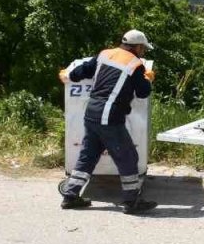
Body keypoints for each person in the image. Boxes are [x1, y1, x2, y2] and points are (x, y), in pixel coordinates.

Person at [58, 30, 157, 214]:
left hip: (91, 114)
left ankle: (70, 196)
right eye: (143, 48)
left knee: (88, 155)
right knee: (128, 156)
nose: (143, 52)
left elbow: (83, 71)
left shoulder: (104, 54)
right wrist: (147, 78)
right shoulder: (136, 65)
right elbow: (143, 92)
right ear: (137, 47)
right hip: (109, 117)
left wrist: (68, 76)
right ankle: (131, 201)